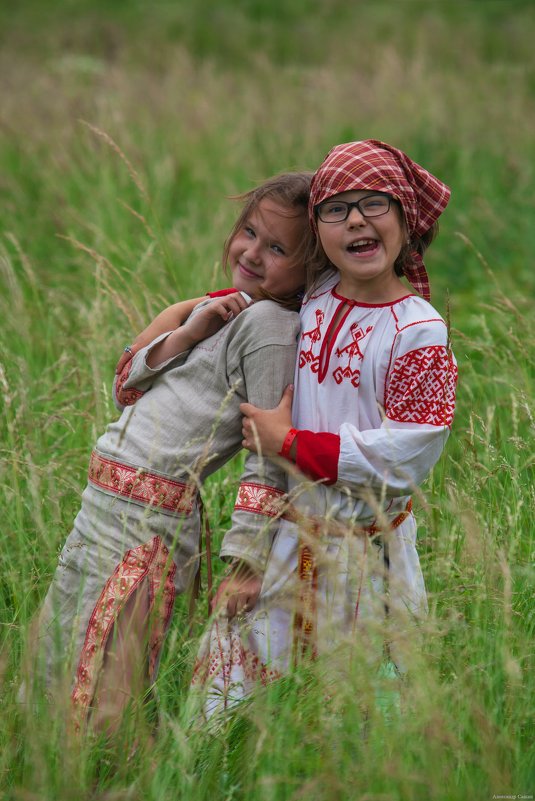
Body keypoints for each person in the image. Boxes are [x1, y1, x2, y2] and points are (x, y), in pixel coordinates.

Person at [23, 171, 316, 734]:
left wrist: (247, 563)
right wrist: (188, 331)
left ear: (310, 270)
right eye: (249, 232)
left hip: (149, 522)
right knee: (60, 651)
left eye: (278, 248)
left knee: (112, 674)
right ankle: (49, 772)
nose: (252, 253)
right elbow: (126, 386)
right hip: (103, 508)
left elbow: (267, 453)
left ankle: (117, 783)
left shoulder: (274, 328)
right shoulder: (225, 310)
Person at [190, 139, 458, 716]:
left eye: (374, 204)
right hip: (286, 537)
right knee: (232, 700)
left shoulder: (418, 332)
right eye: (336, 209)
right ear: (319, 230)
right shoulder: (313, 297)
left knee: (356, 715)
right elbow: (245, 299)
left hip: (367, 552)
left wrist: (288, 443)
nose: (356, 220)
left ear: (405, 218)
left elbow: (408, 452)